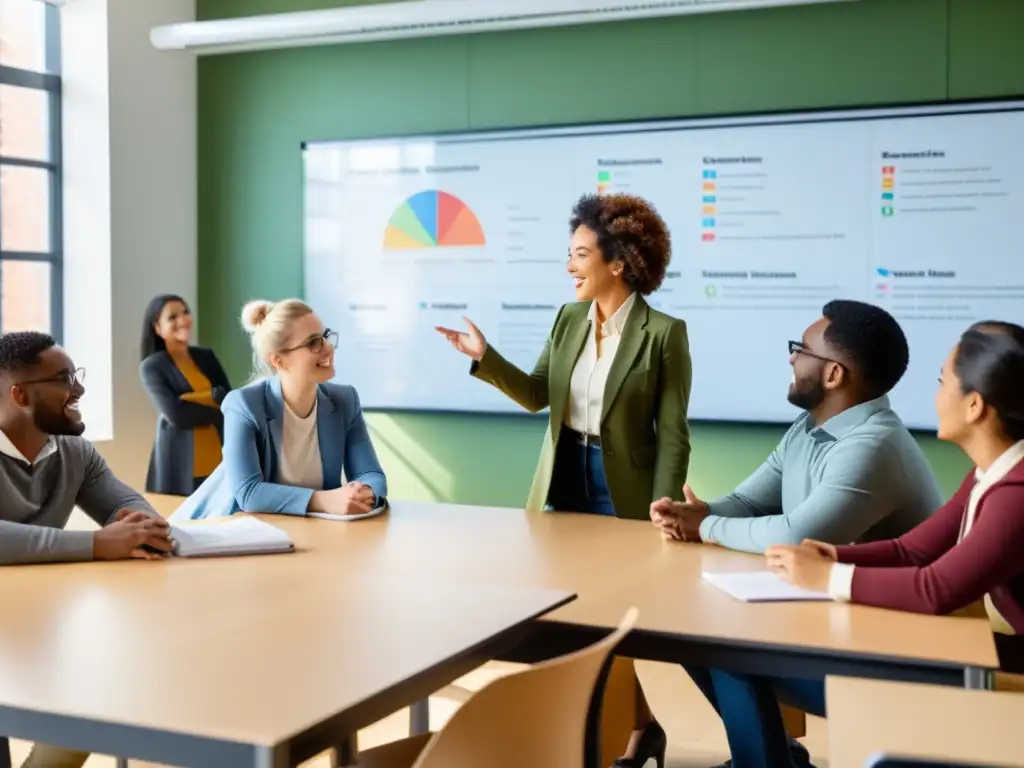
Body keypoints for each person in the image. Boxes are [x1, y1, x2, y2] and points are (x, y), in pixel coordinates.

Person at [437, 192, 692, 768]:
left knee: (613, 619)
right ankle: (639, 729)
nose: (570, 266)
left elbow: (673, 434)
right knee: (573, 621)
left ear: (618, 262)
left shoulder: (664, 333)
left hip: (622, 492)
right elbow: (536, 395)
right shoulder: (568, 318)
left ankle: (611, 739)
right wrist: (485, 356)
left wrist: (664, 504)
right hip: (563, 480)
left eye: (580, 254)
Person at [699, 320, 1024, 768]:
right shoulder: (991, 471)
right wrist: (832, 555)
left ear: (973, 405)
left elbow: (937, 588)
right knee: (725, 650)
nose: (933, 396)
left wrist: (829, 576)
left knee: (728, 654)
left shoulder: (1016, 493)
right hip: (989, 650)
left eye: (941, 382)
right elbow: (914, 550)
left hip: (1002, 672)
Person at [648, 299, 944, 768]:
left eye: (800, 349)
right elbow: (748, 503)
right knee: (688, 630)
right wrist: (695, 513)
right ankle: (775, 756)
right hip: (840, 619)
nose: (790, 358)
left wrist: (705, 526)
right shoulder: (810, 426)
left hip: (897, 659)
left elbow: (797, 535)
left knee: (724, 647)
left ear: (834, 375)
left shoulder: (874, 446)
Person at [0, 331, 173, 768]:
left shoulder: (76, 452)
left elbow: (133, 508)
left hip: (35, 626)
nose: (78, 389)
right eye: (63, 378)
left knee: (96, 703)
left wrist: (133, 528)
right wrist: (97, 543)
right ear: (20, 394)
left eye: (76, 375)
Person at [169, 299, 387, 521]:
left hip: (310, 531)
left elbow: (371, 474)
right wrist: (323, 500)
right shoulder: (244, 405)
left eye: (325, 336)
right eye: (313, 342)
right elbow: (249, 493)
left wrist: (365, 492)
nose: (328, 347)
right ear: (279, 360)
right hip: (235, 532)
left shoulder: (345, 400)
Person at [139, 294, 232, 495]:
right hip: (180, 464)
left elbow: (230, 400)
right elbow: (177, 416)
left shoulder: (206, 356)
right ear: (157, 328)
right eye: (172, 317)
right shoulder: (152, 366)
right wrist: (212, 399)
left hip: (219, 456)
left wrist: (190, 399)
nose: (182, 320)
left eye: (185, 313)